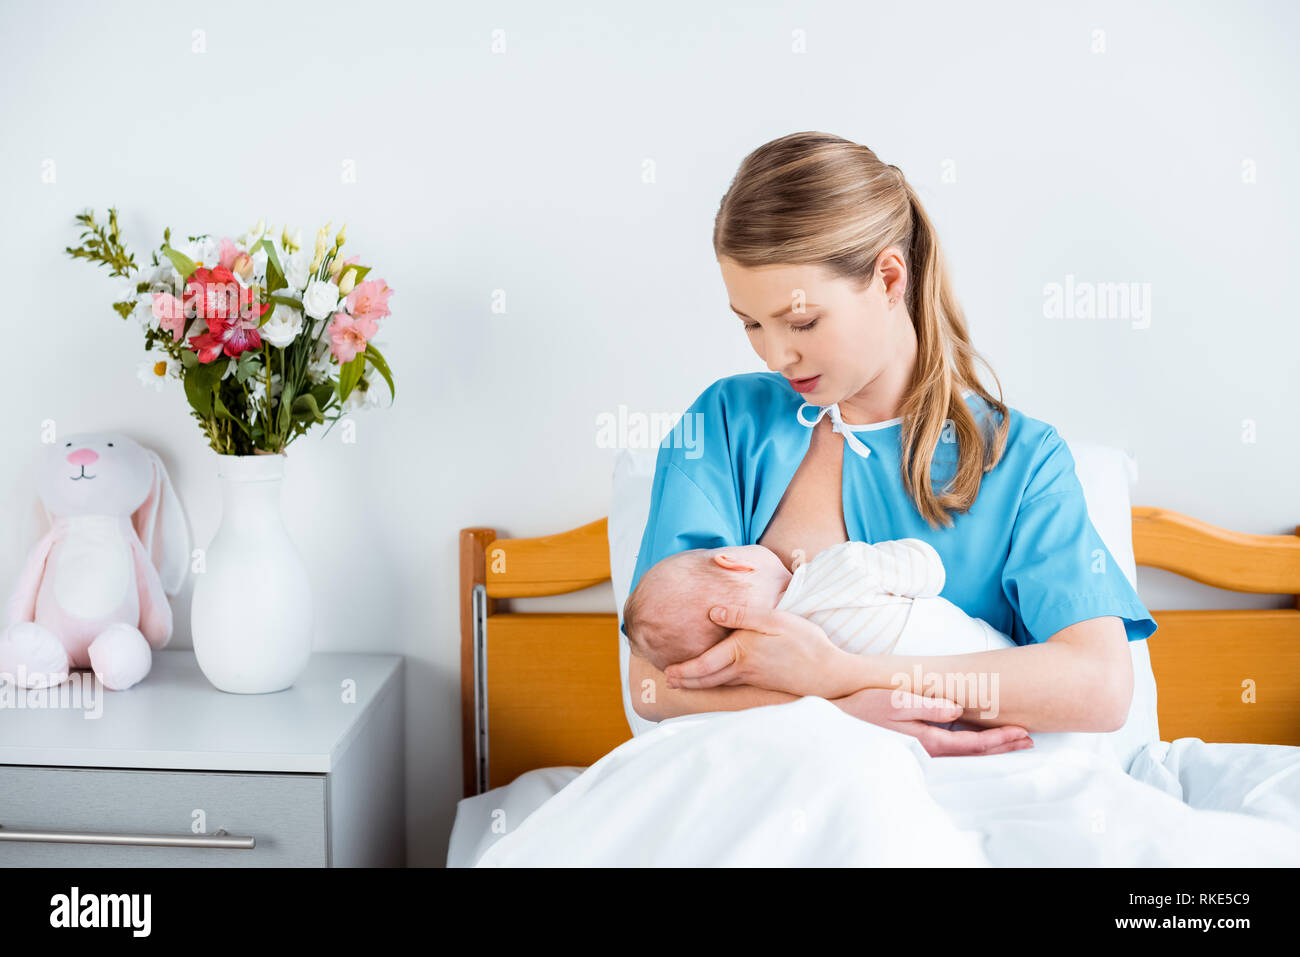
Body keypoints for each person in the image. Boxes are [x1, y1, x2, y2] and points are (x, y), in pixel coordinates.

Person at [623, 131, 1157, 757]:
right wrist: (845, 717)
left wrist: (842, 680)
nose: (775, 354)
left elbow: (1097, 688)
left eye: (802, 322)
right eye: (751, 324)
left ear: (888, 277)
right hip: (783, 782)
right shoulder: (725, 424)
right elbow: (656, 684)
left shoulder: (1019, 460)